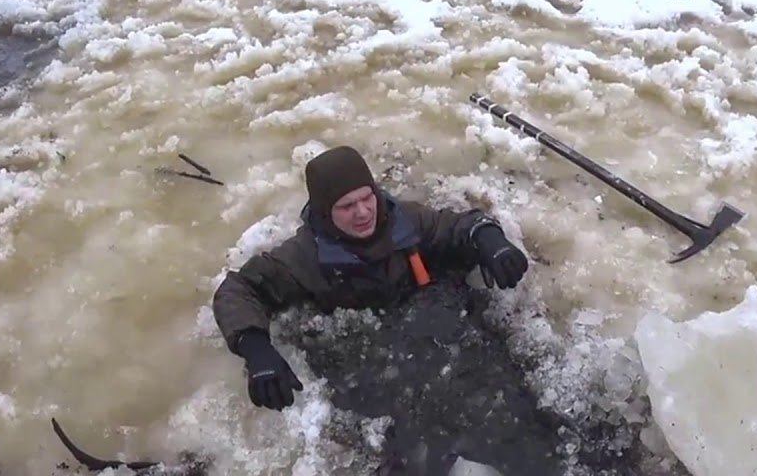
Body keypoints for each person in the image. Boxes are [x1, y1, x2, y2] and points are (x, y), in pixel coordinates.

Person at [213, 145, 530, 410]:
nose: (363, 212)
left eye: (367, 198)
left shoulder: (407, 220)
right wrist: (255, 347)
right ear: (325, 212)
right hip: (365, 365)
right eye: (347, 206)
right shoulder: (305, 254)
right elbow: (238, 289)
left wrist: (490, 240)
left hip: (431, 330)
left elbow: (460, 225)